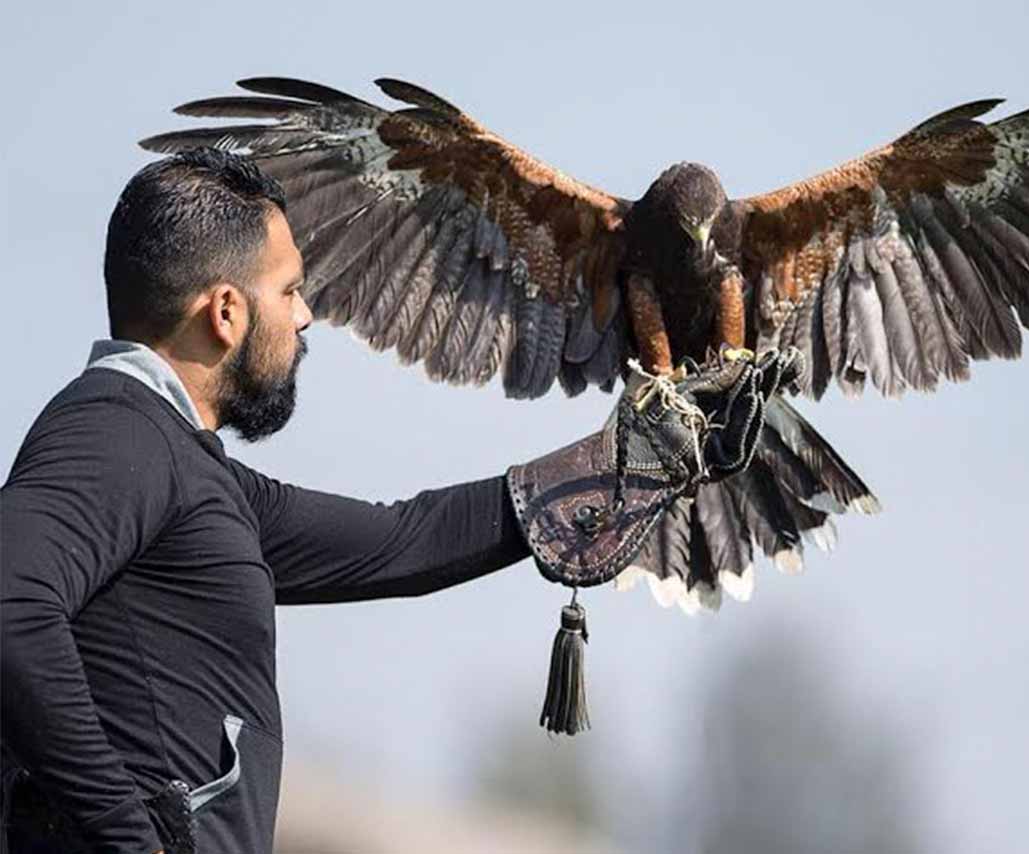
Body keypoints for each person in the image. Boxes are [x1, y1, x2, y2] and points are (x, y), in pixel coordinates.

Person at [0, 149, 776, 854]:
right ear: (226, 311)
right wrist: (125, 838)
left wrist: (623, 469)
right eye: (292, 290)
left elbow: (397, 539)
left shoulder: (186, 471)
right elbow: (10, 605)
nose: (307, 316)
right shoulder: (114, 434)